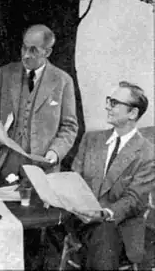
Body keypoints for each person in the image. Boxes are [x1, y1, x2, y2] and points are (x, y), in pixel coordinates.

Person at [66, 81, 155, 270]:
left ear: (132, 113)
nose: (107, 106)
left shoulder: (147, 153)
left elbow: (134, 200)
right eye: (108, 101)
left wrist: (102, 213)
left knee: (103, 234)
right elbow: (75, 180)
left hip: (120, 226)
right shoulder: (91, 139)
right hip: (80, 220)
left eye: (114, 103)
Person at [0, 24, 78, 187]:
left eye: (33, 50)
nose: (26, 55)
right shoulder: (6, 73)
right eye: (24, 48)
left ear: (47, 52)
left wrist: (55, 152)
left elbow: (69, 126)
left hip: (41, 170)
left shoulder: (63, 81)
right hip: (4, 167)